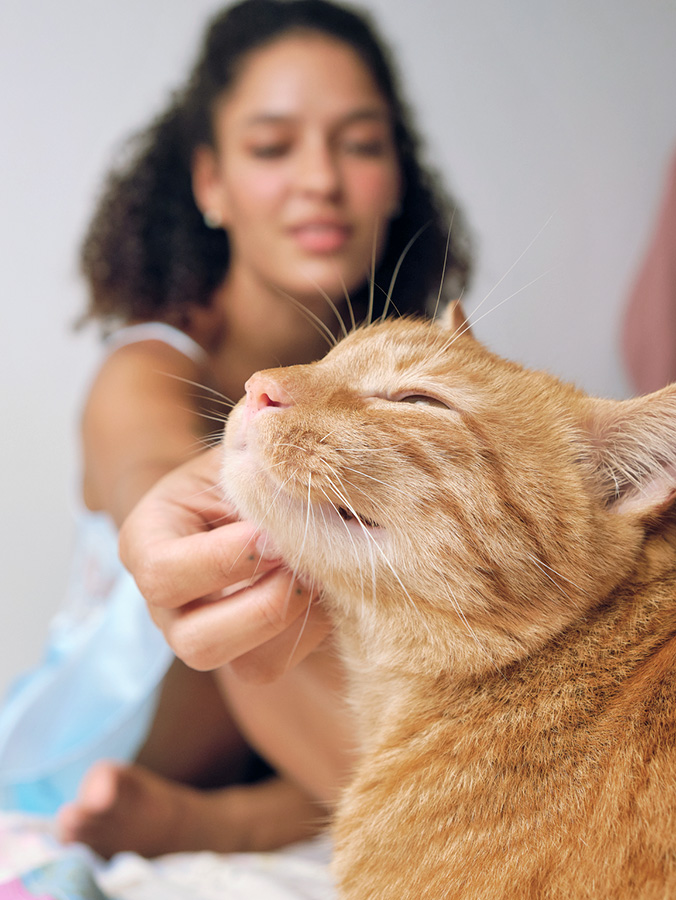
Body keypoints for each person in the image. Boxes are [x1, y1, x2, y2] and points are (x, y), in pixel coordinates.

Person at [0, 0, 470, 859]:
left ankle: (204, 825)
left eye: (361, 143)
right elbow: (148, 460)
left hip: (281, 766)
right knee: (272, 552)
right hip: (120, 740)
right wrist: (188, 511)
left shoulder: (410, 379)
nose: (321, 179)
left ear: (397, 177)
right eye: (271, 146)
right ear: (209, 182)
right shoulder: (146, 366)